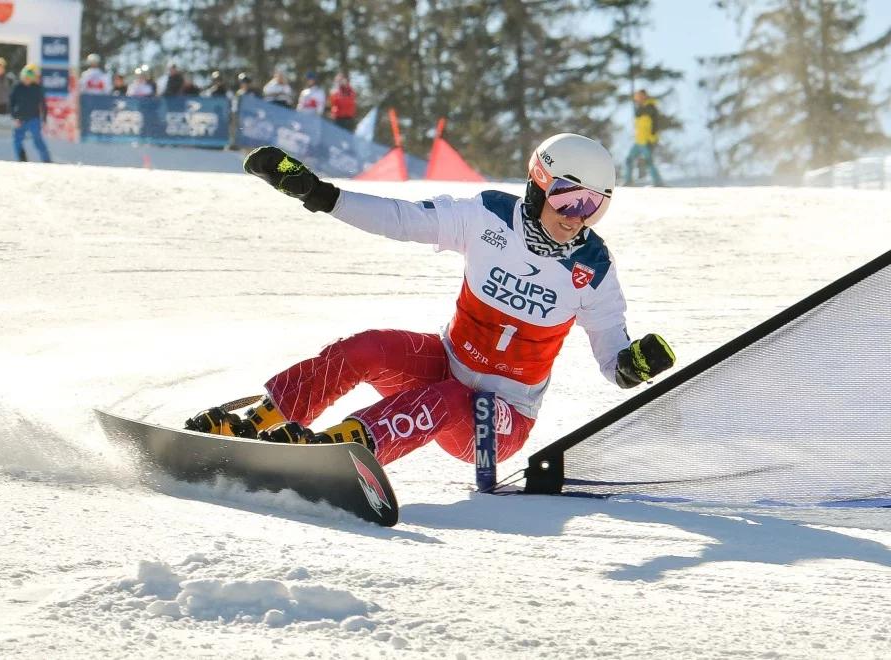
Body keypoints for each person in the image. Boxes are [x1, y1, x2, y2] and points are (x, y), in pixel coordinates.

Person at [185, 134, 676, 470]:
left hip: (499, 420)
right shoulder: (488, 218)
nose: (578, 217)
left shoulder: (593, 268)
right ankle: (261, 424)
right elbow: (400, 218)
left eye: (594, 205)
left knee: (451, 399)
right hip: (445, 364)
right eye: (570, 199)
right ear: (540, 183)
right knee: (367, 348)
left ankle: (339, 451)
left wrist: (635, 364)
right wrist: (319, 194)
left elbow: (614, 361)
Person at [9, 64, 51, 163]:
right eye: (25, 77)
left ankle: (47, 160)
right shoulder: (17, 87)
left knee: (37, 140)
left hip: (34, 119)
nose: (26, 79)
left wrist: (44, 119)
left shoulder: (37, 88)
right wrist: (14, 117)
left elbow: (43, 105)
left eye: (29, 77)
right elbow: (11, 103)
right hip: (20, 118)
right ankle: (22, 159)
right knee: (17, 141)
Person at [624, 90, 664, 187]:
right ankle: (628, 181)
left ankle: (658, 182)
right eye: (636, 97)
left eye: (638, 96)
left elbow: (655, 125)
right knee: (629, 160)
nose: (637, 99)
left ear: (644, 96)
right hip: (638, 141)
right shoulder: (640, 108)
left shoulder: (650, 108)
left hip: (646, 141)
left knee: (648, 161)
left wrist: (652, 139)